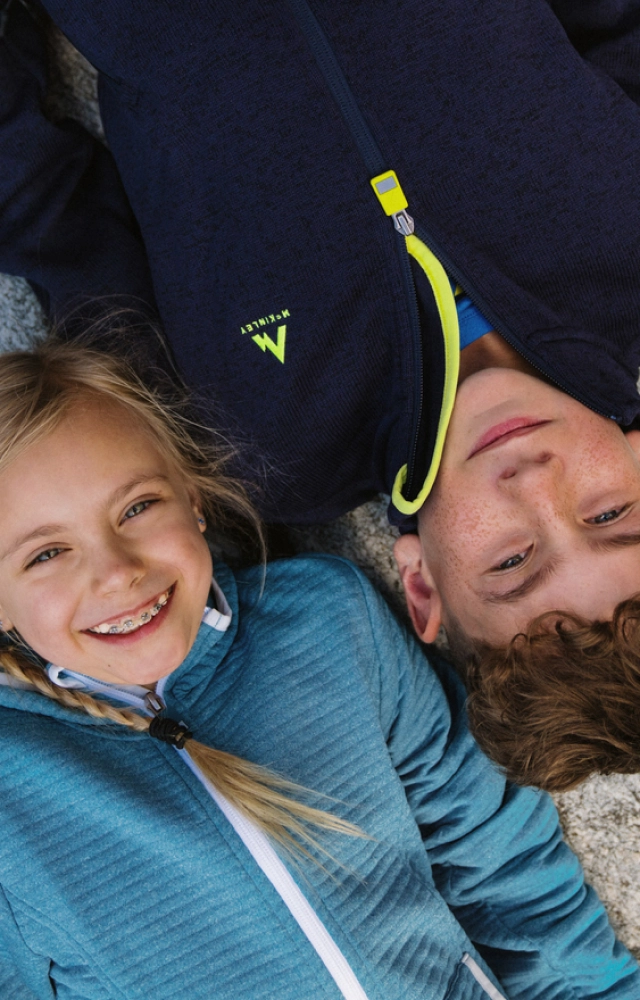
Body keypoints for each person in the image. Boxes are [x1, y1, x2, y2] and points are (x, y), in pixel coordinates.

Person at [4, 3, 640, 728]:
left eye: (509, 560)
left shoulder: (254, 446)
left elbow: (59, 223)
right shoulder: (624, 260)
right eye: (609, 513)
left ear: (422, 587)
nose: (536, 486)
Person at [0, 334, 637, 999]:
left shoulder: (328, 622)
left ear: (192, 498)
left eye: (138, 508)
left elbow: (501, 864)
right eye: (45, 554)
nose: (116, 574)